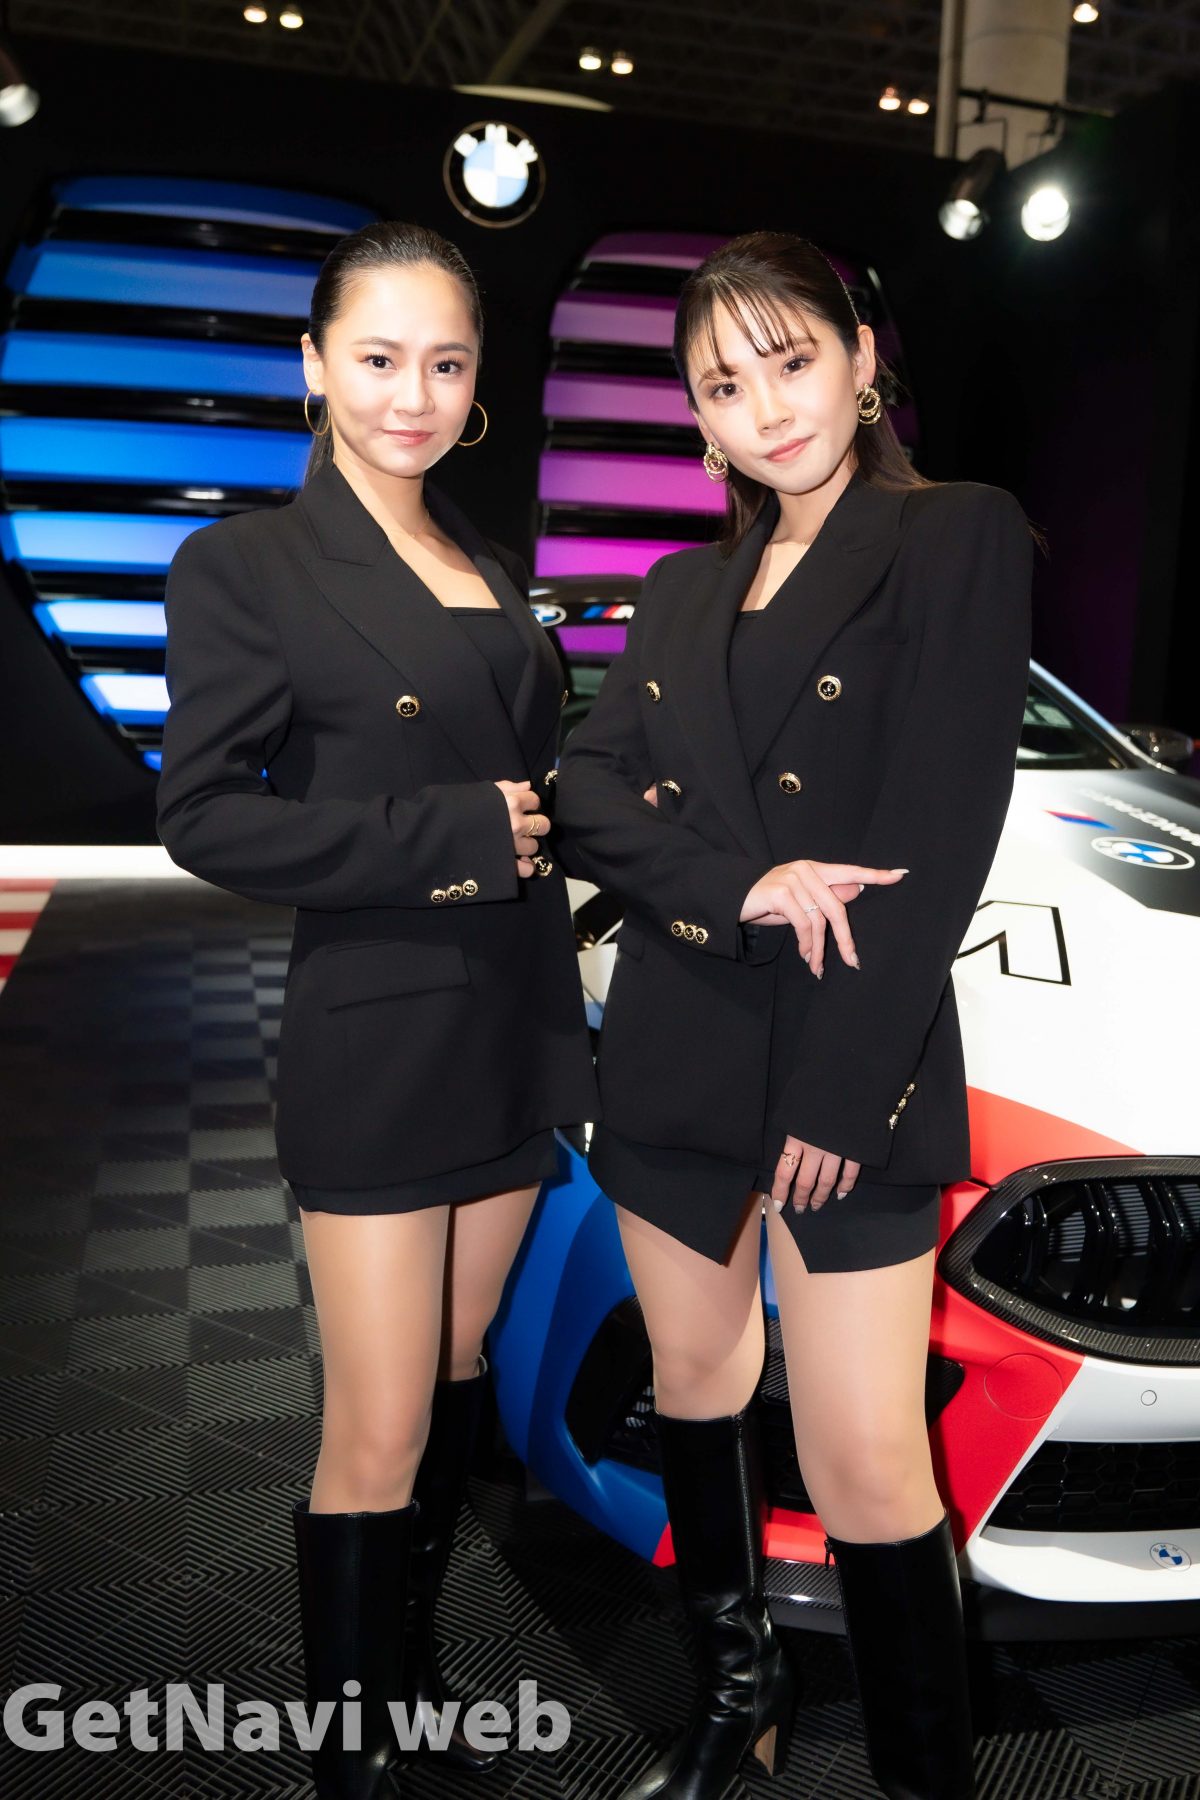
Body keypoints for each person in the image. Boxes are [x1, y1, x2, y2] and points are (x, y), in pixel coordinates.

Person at [555, 230, 1034, 1800]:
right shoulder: (680, 588)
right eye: (722, 386)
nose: (764, 408)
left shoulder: (955, 533)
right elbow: (585, 791)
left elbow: (941, 829)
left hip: (850, 1065)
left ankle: (922, 1778)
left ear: (862, 359)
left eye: (790, 360)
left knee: (865, 1457)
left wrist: (841, 1097)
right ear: (697, 422)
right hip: (680, 1044)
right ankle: (730, 1712)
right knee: (696, 1396)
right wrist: (737, 885)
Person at [156, 221, 598, 1799]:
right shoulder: (250, 568)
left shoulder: (482, 558)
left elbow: (529, 777)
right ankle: (353, 1762)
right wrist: (449, 835)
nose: (413, 395)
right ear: (314, 366)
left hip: (511, 1020)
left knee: (457, 1374)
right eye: (379, 357)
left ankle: (404, 1694)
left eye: (447, 363)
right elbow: (203, 816)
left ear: (478, 384)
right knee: (379, 1425)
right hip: (384, 1030)